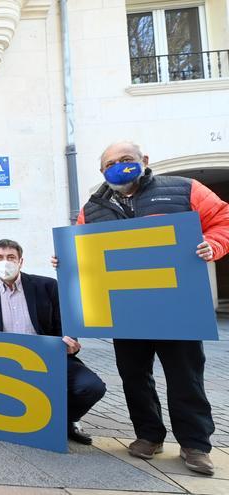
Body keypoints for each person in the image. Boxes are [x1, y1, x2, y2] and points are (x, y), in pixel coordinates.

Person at [55, 141, 229, 475]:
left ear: (144, 160)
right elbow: (81, 250)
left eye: (125, 159)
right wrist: (66, 259)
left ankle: (195, 444)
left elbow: (223, 220)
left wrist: (214, 245)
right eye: (109, 164)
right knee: (134, 376)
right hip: (126, 309)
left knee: (186, 376)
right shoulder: (93, 208)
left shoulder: (184, 189)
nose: (117, 167)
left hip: (176, 306)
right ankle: (148, 435)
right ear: (101, 171)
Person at [0, 239, 106, 446]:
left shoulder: (47, 286)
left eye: (11, 257)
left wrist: (70, 341)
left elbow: (65, 321)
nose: (5, 262)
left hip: (49, 358)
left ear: (21, 261)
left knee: (91, 387)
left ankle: (64, 420)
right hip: (7, 364)